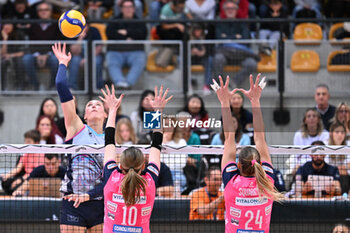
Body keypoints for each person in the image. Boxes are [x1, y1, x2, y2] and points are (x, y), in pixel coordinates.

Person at [216, 74, 283, 232]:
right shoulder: (267, 182)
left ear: (238, 165)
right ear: (259, 163)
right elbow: (260, 139)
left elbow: (229, 137)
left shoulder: (232, 183)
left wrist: (225, 102)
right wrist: (255, 101)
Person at [52, 42, 107, 233]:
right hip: (72, 200)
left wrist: (90, 195)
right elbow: (60, 85)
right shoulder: (76, 127)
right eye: (89, 105)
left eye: (98, 105)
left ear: (106, 115)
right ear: (83, 115)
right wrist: (62, 63)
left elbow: (111, 179)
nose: (93, 106)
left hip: (99, 202)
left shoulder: (111, 139)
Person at [101, 84, 172, 233]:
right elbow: (157, 142)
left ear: (120, 166)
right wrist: (157, 111)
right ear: (142, 166)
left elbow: (108, 140)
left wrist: (112, 109)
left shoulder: (111, 177)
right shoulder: (150, 181)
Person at [212, 0, 260, 86]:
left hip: (241, 54)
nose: (230, 10)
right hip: (225, 53)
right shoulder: (220, 23)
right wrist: (236, 37)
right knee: (217, 59)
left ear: (237, 10)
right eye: (228, 8)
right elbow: (219, 38)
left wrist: (227, 37)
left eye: (233, 8)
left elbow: (245, 40)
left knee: (251, 63)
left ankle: (233, 83)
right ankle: (221, 85)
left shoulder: (243, 23)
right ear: (224, 10)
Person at [106, 0, 147, 89]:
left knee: (140, 61)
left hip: (135, 51)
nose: (128, 9)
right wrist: (128, 37)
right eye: (125, 7)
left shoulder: (139, 22)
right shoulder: (114, 20)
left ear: (134, 9)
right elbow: (110, 34)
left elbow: (142, 34)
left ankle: (127, 84)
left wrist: (126, 32)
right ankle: (120, 82)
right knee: (112, 61)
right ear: (121, 9)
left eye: (130, 7)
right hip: (116, 51)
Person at [22, 2, 61, 90]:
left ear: (50, 11)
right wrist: (37, 55)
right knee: (26, 59)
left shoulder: (57, 25)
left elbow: (59, 44)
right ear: (38, 12)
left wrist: (47, 55)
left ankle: (53, 86)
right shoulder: (32, 25)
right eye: (41, 10)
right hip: (35, 55)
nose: (43, 12)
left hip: (51, 55)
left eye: (46, 10)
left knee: (56, 60)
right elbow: (30, 43)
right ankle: (36, 86)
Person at [0, 129, 44, 195]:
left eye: (28, 142)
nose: (26, 144)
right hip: (24, 177)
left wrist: (21, 179)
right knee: (5, 182)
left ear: (36, 143)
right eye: (25, 141)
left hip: (32, 180)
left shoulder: (40, 155)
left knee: (16, 186)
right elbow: (18, 168)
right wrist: (6, 175)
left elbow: (34, 173)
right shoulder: (26, 154)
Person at [69, 24, 104, 90]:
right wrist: (80, 38)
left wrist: (88, 59)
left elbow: (99, 48)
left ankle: (98, 87)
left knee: (97, 61)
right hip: (79, 56)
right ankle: (72, 87)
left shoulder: (94, 30)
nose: (82, 28)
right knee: (74, 61)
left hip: (94, 55)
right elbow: (74, 51)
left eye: (84, 26)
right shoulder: (73, 31)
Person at [325, 122, 350, 194]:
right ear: (331, 133)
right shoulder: (325, 145)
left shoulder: (348, 145)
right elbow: (325, 164)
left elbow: (348, 165)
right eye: (337, 132)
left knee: (343, 171)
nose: (340, 135)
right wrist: (336, 169)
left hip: (345, 176)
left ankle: (344, 197)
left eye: (342, 132)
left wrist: (341, 168)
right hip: (328, 174)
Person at [0, 22, 25, 91]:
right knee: (3, 62)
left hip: (17, 57)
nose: (6, 27)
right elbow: (2, 53)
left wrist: (10, 55)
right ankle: (4, 88)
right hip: (5, 58)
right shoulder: (2, 35)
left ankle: (20, 86)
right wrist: (5, 38)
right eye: (5, 24)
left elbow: (23, 52)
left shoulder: (19, 34)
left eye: (9, 24)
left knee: (19, 62)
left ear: (13, 26)